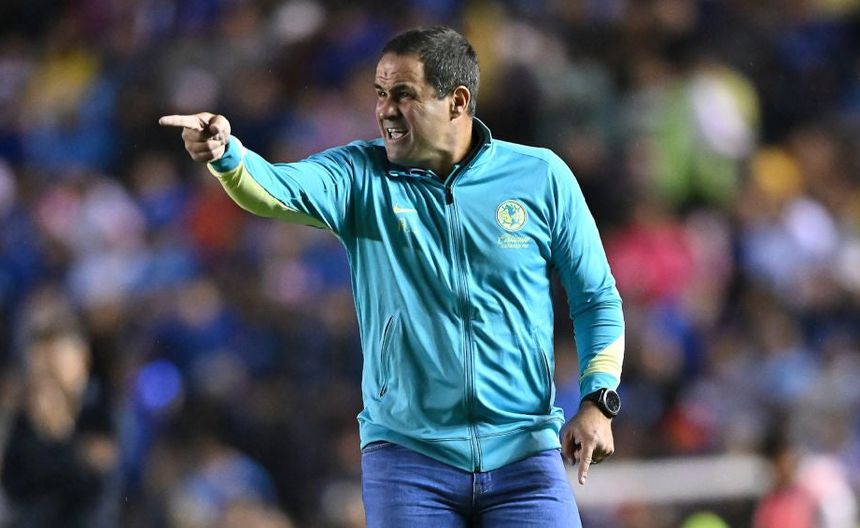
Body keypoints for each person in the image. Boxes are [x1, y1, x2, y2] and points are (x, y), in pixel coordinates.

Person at [161, 25, 624, 527]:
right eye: (380, 94)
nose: (385, 110)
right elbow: (275, 189)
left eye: (404, 95)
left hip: (525, 458)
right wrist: (228, 155)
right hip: (409, 463)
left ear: (457, 101)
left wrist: (598, 401)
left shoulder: (540, 177)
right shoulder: (359, 175)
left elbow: (596, 297)